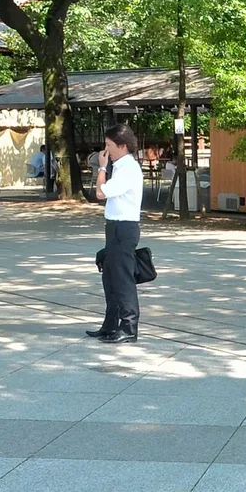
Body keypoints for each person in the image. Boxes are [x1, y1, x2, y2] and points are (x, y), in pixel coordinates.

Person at [88, 124, 143, 343]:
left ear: (122, 145)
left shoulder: (128, 168)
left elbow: (100, 193)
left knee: (122, 279)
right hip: (114, 227)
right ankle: (110, 324)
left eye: (109, 145)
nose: (106, 150)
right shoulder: (120, 167)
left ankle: (128, 327)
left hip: (124, 227)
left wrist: (102, 169)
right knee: (109, 277)